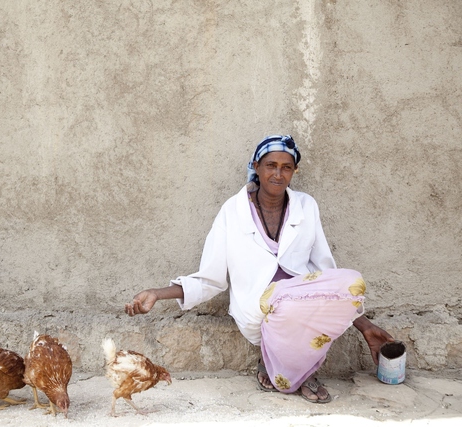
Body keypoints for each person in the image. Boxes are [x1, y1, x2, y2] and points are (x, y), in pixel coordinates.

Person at [125, 134, 394, 403]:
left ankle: (281, 365)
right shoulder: (233, 211)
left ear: (294, 171)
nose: (278, 174)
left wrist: (362, 325)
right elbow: (211, 278)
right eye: (270, 165)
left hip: (303, 304)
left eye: (286, 167)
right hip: (259, 312)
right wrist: (157, 294)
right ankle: (296, 372)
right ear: (256, 166)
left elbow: (324, 276)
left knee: (351, 282)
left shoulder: (306, 206)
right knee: (284, 303)